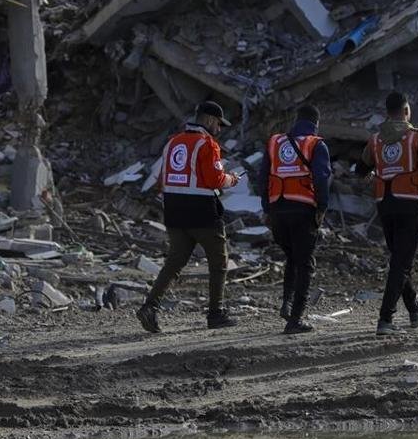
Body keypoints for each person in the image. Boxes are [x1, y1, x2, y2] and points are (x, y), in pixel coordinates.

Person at [137, 101, 240, 333]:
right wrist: (231, 179)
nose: (219, 129)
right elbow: (214, 180)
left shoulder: (173, 142)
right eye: (218, 124)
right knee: (219, 262)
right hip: (202, 211)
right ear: (209, 120)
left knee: (174, 262)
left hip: (174, 210)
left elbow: (162, 179)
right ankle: (216, 313)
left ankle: (150, 306)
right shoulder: (207, 144)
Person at [360, 91, 418, 336]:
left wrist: (371, 173)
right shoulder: (417, 138)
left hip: (385, 206)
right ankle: (385, 318)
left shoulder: (376, 140)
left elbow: (361, 168)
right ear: (406, 110)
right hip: (410, 205)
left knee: (400, 261)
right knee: (401, 263)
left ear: (386, 112)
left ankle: (414, 310)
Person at [256, 104, 331, 334]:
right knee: (305, 263)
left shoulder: (275, 142)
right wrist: (322, 207)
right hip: (302, 210)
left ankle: (287, 304)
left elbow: (262, 176)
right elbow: (322, 177)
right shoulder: (316, 144)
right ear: (316, 124)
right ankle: (296, 318)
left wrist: (267, 208)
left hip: (278, 210)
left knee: (292, 258)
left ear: (296, 119)